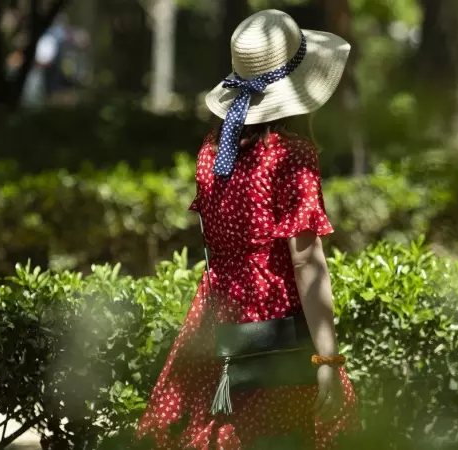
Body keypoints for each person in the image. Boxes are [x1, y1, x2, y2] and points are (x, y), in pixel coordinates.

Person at [136, 9, 358, 450]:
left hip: (219, 313)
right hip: (275, 319)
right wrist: (327, 359)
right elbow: (306, 261)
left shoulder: (213, 150)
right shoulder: (291, 155)